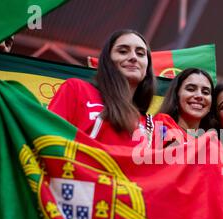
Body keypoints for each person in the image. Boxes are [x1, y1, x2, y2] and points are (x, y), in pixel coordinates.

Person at [46, 29, 178, 147]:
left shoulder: (153, 127)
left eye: (140, 53)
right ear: (107, 61)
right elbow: (46, 137)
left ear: (147, 67)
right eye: (123, 51)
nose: (133, 57)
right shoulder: (76, 90)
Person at [159, 68, 215, 138]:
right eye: (190, 89)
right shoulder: (158, 131)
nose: (199, 96)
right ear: (176, 95)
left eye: (205, 92)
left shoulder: (214, 144)